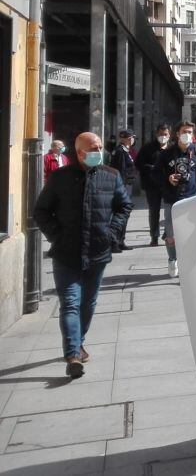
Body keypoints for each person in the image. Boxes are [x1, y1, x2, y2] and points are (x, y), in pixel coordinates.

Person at [32, 132, 132, 379]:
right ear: (79, 152)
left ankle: (78, 342)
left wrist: (111, 233)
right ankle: (73, 355)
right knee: (70, 303)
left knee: (88, 302)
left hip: (98, 252)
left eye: (99, 146)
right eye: (94, 147)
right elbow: (41, 211)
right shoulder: (60, 178)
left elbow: (124, 205)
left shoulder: (111, 175)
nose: (99, 150)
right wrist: (57, 236)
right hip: (66, 253)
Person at [154, 120, 196, 278]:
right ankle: (173, 259)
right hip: (172, 199)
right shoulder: (166, 154)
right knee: (171, 234)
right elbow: (155, 173)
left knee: (192, 234)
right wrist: (168, 178)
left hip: (192, 198)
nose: (187, 135)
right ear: (177, 134)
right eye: (184, 131)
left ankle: (189, 263)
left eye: (190, 132)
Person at [136, 124, 171, 246]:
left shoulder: (172, 149)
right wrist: (152, 168)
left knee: (170, 210)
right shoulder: (147, 148)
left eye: (165, 134)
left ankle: (168, 233)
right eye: (161, 134)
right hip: (152, 185)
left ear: (169, 135)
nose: (163, 136)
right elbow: (138, 164)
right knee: (154, 211)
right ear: (156, 134)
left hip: (168, 185)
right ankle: (154, 236)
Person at [109, 130, 138, 252]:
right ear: (126, 139)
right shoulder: (120, 152)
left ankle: (121, 241)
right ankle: (114, 242)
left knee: (124, 214)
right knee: (120, 214)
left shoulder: (125, 151)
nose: (133, 140)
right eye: (132, 138)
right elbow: (120, 170)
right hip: (122, 186)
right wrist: (121, 188)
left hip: (126, 185)